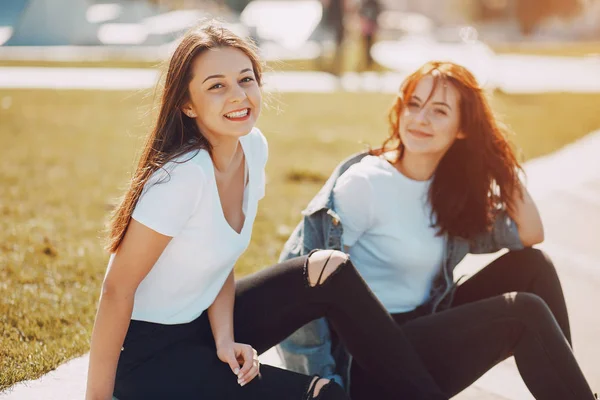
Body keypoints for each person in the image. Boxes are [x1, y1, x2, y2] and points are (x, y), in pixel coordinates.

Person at [84, 22, 455, 400]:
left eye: (246, 79)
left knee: (328, 269)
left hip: (203, 322)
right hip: (150, 358)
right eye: (216, 86)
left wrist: (225, 340)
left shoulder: (251, 147)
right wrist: (96, 397)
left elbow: (219, 259)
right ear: (187, 104)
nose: (238, 95)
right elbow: (117, 289)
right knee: (324, 394)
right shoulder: (182, 177)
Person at [276, 61, 597, 399]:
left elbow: (529, 233)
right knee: (522, 312)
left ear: (463, 128)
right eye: (413, 104)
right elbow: (299, 286)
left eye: (439, 111)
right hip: (366, 366)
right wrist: (324, 385)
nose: (420, 119)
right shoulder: (365, 185)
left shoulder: (447, 191)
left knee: (533, 267)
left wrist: (497, 157)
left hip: (420, 334)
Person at [357, 0, 381, 71]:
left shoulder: (372, 4)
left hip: (370, 27)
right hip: (367, 27)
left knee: (370, 45)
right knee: (365, 45)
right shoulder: (368, 3)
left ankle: (369, 62)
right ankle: (366, 62)